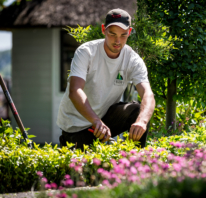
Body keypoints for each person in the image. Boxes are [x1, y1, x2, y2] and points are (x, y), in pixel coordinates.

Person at [57, 8, 155, 150]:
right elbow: (74, 90)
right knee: (79, 170)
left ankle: (135, 165)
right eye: (112, 34)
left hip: (104, 118)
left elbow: (148, 94)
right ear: (103, 30)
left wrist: (142, 121)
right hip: (76, 125)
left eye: (123, 35)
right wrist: (95, 121)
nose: (117, 41)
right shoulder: (86, 52)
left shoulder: (132, 59)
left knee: (137, 111)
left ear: (129, 32)